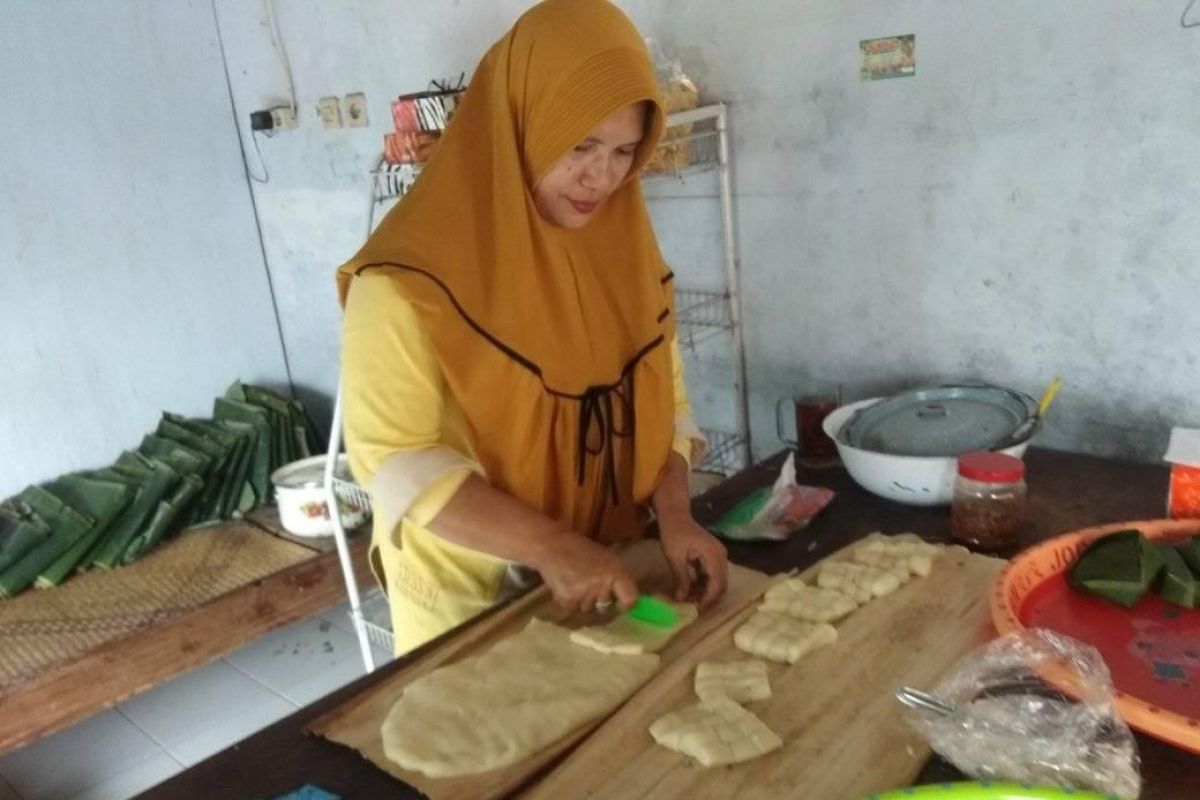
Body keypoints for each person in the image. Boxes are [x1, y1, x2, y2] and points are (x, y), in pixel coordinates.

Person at [336, 0, 728, 654]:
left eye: (625, 151)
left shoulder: (624, 255)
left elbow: (668, 408)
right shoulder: (405, 283)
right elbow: (396, 464)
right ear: (517, 123)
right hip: (472, 613)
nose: (602, 177)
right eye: (580, 146)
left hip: (609, 581)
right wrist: (553, 545)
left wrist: (678, 517)